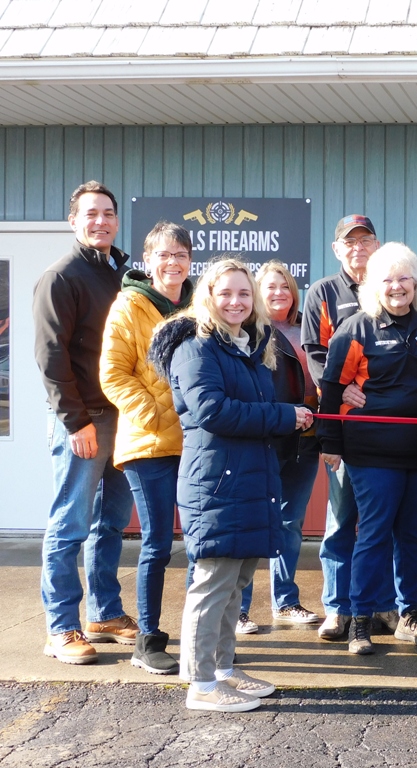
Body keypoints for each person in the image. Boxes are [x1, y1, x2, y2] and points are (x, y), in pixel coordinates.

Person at [150, 257, 313, 713]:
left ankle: (222, 669)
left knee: (235, 582)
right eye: (225, 293)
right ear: (208, 296)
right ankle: (201, 683)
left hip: (247, 478)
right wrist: (284, 416)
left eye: (244, 293)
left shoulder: (249, 346)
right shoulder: (196, 347)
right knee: (213, 584)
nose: (235, 302)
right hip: (216, 484)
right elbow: (212, 411)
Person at [318, 243, 417, 655]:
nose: (397, 286)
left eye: (405, 278)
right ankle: (360, 619)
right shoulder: (356, 328)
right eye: (388, 279)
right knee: (372, 534)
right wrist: (330, 444)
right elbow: (332, 389)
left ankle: (409, 613)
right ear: (374, 285)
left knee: (411, 537)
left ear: (416, 283)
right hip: (370, 454)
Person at [33, 181, 138, 665]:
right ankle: (61, 627)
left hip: (124, 418)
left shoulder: (124, 274)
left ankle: (105, 613)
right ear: (73, 220)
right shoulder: (62, 277)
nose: (101, 221)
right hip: (85, 420)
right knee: (70, 524)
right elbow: (51, 356)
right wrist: (76, 422)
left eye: (108, 213)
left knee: (111, 522)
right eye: (90, 213)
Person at [99, 221, 194, 674]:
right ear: (148, 260)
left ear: (190, 261)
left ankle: (198, 636)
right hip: (149, 443)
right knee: (157, 542)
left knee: (200, 543)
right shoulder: (128, 306)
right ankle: (149, 640)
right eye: (164, 254)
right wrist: (156, 414)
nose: (173, 263)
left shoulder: (199, 306)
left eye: (181, 255)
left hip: (196, 441)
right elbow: (113, 374)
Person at [301, 214, 399, 641]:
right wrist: (342, 391)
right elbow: (316, 355)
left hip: (388, 427)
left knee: (384, 522)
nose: (358, 248)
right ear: (337, 249)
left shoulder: (391, 286)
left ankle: (383, 605)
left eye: (366, 240)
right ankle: (337, 608)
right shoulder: (323, 292)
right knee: (342, 520)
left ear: (377, 245)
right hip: (345, 424)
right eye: (350, 242)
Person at [231, 261, 322, 634]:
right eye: (271, 287)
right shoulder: (249, 332)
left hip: (306, 441)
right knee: (254, 521)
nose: (279, 293)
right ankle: (238, 608)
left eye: (286, 287)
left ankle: (285, 601)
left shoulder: (307, 329)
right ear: (257, 292)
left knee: (290, 523)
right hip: (267, 439)